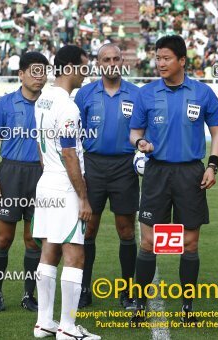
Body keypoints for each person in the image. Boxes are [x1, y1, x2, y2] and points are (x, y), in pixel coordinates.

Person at [129, 35, 218, 326]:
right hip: (157, 173)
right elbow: (134, 132)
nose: (160, 63)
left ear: (182, 61)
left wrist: (213, 166)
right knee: (148, 242)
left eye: (166, 58)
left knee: (190, 243)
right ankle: (140, 306)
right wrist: (141, 143)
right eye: (157, 58)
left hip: (191, 174)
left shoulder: (202, 92)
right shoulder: (146, 93)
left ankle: (187, 307)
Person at [32, 45, 100, 340]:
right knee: (75, 255)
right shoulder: (68, 107)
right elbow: (70, 154)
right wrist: (83, 197)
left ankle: (44, 322)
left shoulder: (42, 99)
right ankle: (68, 328)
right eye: (84, 67)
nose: (86, 73)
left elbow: (39, 145)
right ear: (70, 67)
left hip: (46, 181)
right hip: (64, 184)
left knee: (49, 250)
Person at [74, 43, 140, 310]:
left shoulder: (137, 94)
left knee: (126, 230)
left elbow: (144, 131)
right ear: (98, 63)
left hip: (125, 168)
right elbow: (74, 135)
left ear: (121, 61)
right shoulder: (85, 95)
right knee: (89, 229)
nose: (111, 62)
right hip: (93, 167)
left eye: (116, 58)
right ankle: (84, 289)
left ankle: (126, 291)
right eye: (106, 59)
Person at [0, 51, 49, 312]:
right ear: (21, 74)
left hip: (42, 177)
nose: (39, 77)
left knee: (33, 240)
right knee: (3, 239)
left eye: (43, 71)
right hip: (10, 174)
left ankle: (28, 295)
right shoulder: (5, 104)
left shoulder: (51, 104)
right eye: (33, 71)